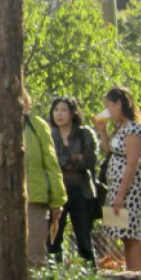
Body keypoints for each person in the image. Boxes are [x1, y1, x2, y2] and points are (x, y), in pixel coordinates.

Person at [0, 88, 66, 269]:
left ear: (26, 103)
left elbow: (51, 164)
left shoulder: (37, 126)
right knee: (3, 259)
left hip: (34, 200)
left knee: (34, 256)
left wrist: (57, 201)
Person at [94, 87, 141, 272]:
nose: (107, 111)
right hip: (115, 186)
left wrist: (121, 194)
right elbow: (109, 150)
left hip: (129, 189)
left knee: (131, 234)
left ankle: (136, 275)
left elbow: (132, 162)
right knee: (122, 233)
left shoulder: (134, 128)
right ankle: (129, 272)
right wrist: (102, 131)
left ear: (119, 104)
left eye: (108, 107)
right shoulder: (120, 127)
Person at [46, 96, 101, 265]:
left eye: (63, 110)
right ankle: (55, 277)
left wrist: (69, 162)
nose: (59, 114)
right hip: (57, 192)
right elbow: (50, 162)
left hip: (81, 192)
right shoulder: (49, 134)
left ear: (72, 113)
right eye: (56, 110)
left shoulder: (85, 133)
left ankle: (90, 277)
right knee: (54, 239)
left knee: (84, 239)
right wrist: (73, 159)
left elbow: (91, 161)